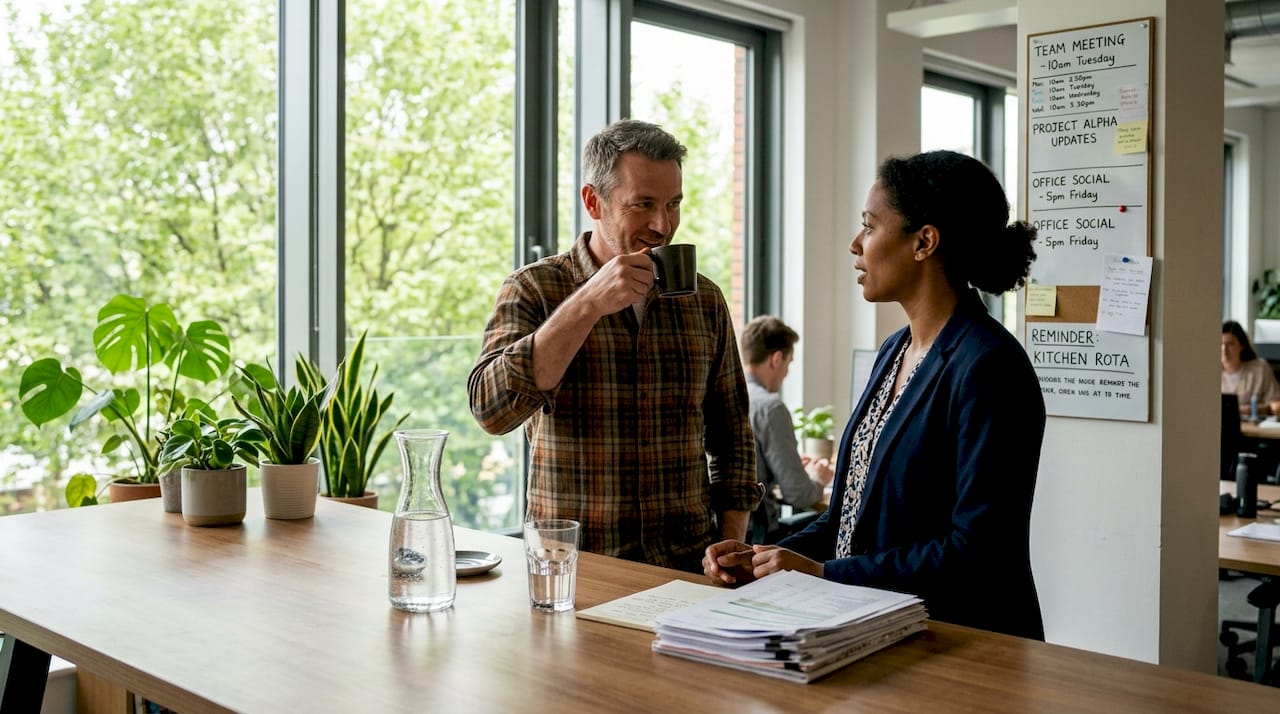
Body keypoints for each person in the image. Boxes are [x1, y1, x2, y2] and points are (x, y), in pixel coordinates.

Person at [704, 150, 1046, 641]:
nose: (854, 244)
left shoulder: (990, 366)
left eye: (869, 226)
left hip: (964, 644)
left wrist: (825, 576)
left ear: (924, 241)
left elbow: (976, 550)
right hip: (879, 632)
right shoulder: (892, 351)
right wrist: (762, 560)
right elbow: (844, 521)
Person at [468, 119, 759, 573]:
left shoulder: (704, 299)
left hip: (686, 569)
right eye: (643, 205)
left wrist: (729, 545)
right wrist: (586, 304)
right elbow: (491, 411)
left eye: (673, 204)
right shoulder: (535, 289)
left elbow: (734, 435)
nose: (663, 224)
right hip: (574, 573)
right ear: (593, 201)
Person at [739, 315, 834, 543]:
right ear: (777, 359)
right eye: (789, 364)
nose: (787, 373)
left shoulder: (728, 395)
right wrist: (818, 478)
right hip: (760, 538)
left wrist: (788, 465)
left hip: (730, 531)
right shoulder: (770, 408)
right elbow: (798, 495)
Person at [1221, 320, 1280, 417]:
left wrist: (1248, 410)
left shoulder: (1260, 369)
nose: (1224, 350)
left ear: (1242, 345)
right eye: (1220, 344)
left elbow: (1276, 405)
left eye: (1230, 344)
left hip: (1253, 427)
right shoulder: (1208, 371)